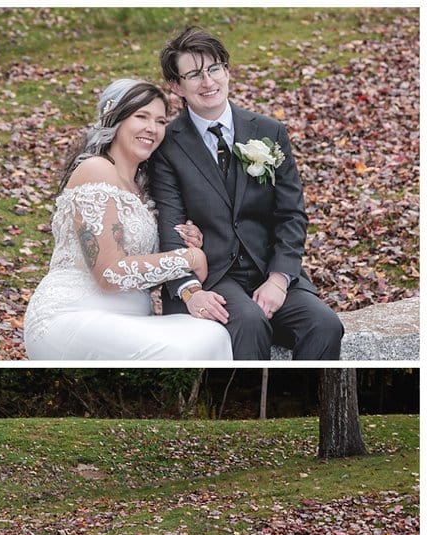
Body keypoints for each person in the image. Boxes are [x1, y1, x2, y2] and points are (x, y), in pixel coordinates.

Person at [150, 26, 344, 360]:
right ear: (176, 86)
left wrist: (280, 279)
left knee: (325, 325)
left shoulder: (269, 131)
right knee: (250, 322)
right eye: (194, 74)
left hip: (269, 267)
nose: (208, 82)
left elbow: (291, 214)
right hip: (211, 276)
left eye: (213, 69)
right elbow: (170, 226)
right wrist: (187, 290)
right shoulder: (167, 146)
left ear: (227, 71)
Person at [24, 78, 233, 361]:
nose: (153, 128)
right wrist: (188, 258)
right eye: (141, 116)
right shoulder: (96, 170)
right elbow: (110, 274)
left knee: (213, 335)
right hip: (74, 314)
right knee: (178, 351)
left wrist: (188, 241)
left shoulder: (143, 190)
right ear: (116, 119)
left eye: (160, 121)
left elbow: (140, 271)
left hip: (129, 318)